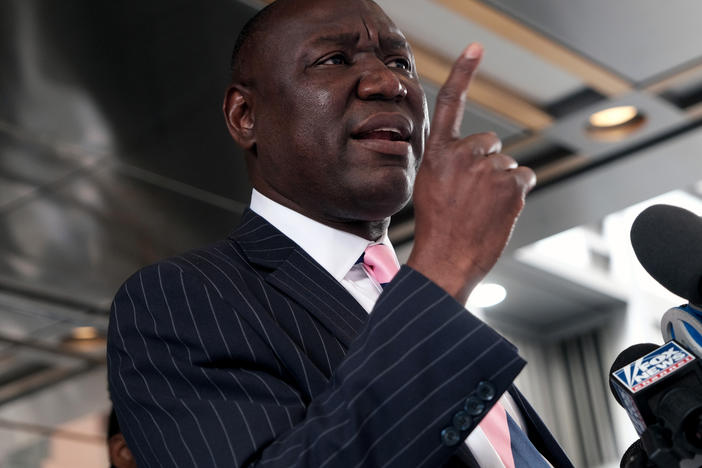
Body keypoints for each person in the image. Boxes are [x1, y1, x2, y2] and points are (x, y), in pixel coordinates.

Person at [107, 0, 574, 466]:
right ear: (245, 115)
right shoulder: (180, 299)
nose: (388, 83)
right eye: (333, 60)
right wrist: (445, 271)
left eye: (399, 62)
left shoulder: (424, 300)